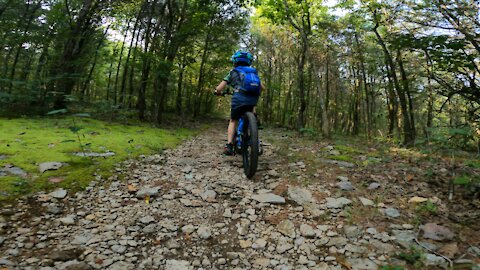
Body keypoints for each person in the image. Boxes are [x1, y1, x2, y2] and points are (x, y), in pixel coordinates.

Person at [215, 50, 265, 156]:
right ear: (249, 62)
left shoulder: (233, 72)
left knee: (233, 120)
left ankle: (229, 145)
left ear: (235, 61)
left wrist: (217, 92)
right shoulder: (253, 72)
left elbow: (220, 88)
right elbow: (262, 88)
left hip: (239, 98)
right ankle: (257, 142)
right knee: (252, 109)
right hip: (252, 99)